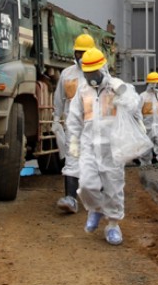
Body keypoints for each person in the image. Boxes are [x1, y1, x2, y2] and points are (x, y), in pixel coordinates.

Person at [65, 47, 140, 246]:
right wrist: (74, 141)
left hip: (112, 147)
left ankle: (113, 225)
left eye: (94, 72)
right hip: (89, 146)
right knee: (86, 184)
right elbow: (74, 118)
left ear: (102, 69)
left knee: (113, 188)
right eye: (87, 73)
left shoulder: (115, 87)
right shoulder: (82, 91)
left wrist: (122, 91)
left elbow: (134, 106)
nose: (91, 77)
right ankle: (96, 209)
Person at [52, 33, 95, 213]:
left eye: (85, 53)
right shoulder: (67, 74)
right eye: (79, 53)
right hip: (74, 126)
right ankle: (71, 198)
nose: (81, 57)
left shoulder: (100, 73)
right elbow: (59, 98)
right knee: (72, 160)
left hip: (94, 126)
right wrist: (56, 119)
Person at [138, 71, 158, 166]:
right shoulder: (143, 97)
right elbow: (137, 112)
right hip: (146, 128)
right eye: (157, 83)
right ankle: (145, 166)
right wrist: (141, 124)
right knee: (145, 149)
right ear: (151, 84)